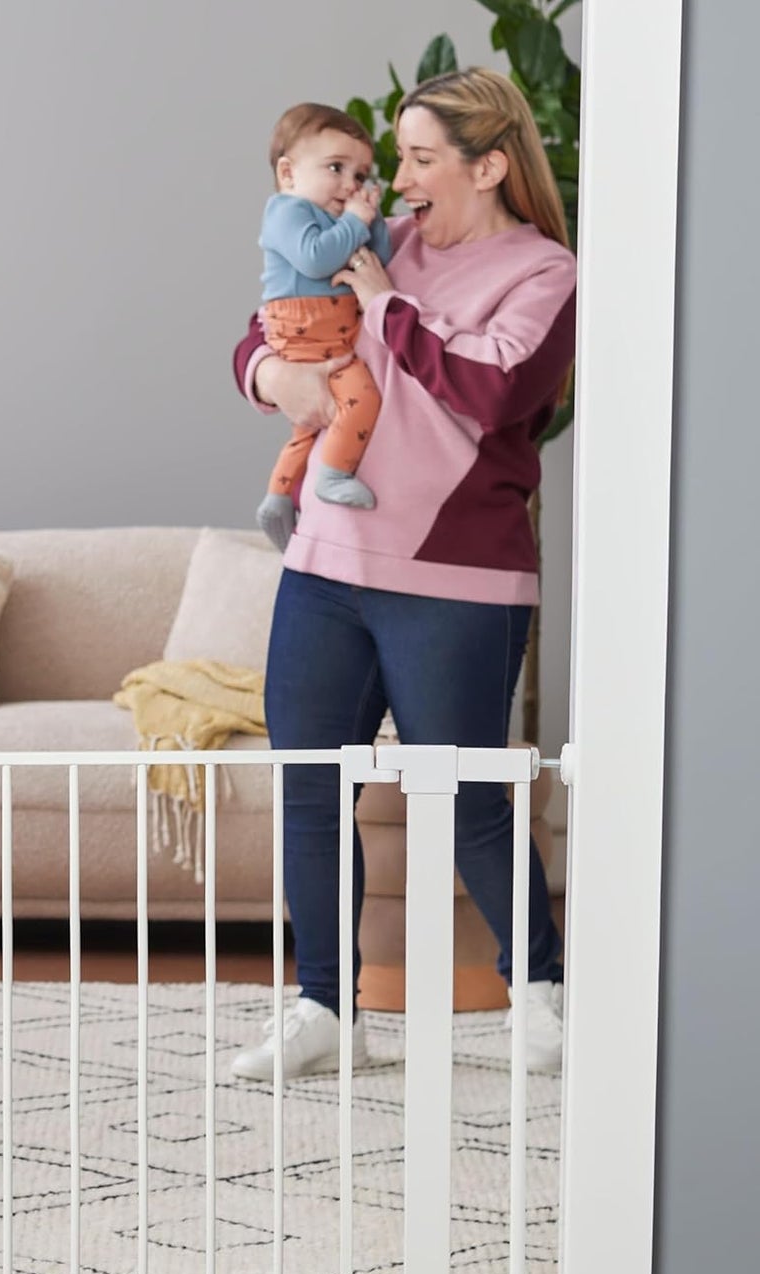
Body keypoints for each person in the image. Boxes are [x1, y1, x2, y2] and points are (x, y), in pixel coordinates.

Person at [229, 67, 574, 1082]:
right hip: (327, 566)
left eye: (422, 157)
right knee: (308, 784)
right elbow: (272, 315)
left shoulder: (541, 273)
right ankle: (325, 1007)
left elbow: (493, 388)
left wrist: (383, 306)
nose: (399, 176)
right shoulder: (380, 243)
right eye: (398, 156)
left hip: (456, 575)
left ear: (489, 164)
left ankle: (538, 994)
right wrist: (267, 373)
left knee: (464, 793)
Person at [256, 103, 393, 552]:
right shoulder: (286, 211)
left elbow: (380, 263)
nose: (349, 184)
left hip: (325, 331)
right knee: (360, 397)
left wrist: (372, 222)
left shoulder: (341, 221)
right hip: (304, 328)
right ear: (288, 173)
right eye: (336, 167)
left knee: (308, 425)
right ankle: (334, 474)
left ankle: (278, 497)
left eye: (360, 174)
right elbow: (315, 256)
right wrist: (355, 222)